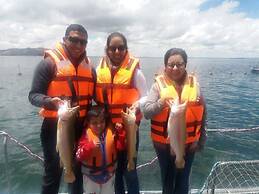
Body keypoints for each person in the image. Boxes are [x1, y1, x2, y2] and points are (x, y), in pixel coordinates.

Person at [28, 24, 95, 194]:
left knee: (77, 173)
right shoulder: (48, 64)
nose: (79, 45)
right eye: (74, 40)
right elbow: (34, 95)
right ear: (65, 40)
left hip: (81, 128)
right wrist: (50, 102)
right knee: (53, 174)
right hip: (54, 128)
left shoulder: (90, 68)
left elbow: (97, 96)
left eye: (83, 42)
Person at [143, 48, 207, 194]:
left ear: (185, 65)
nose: (175, 68)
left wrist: (201, 140)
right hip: (163, 146)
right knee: (167, 180)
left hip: (189, 144)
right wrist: (161, 103)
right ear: (165, 66)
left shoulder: (194, 86)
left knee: (183, 181)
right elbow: (146, 112)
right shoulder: (157, 86)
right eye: (171, 64)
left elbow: (204, 114)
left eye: (180, 64)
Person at [95, 32, 148, 194]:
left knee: (130, 170)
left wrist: (137, 104)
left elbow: (146, 96)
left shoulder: (136, 73)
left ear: (126, 49)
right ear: (107, 50)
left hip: (129, 128)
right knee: (115, 171)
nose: (117, 52)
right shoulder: (99, 70)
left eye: (121, 48)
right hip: (109, 129)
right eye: (113, 48)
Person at [76, 105, 126, 194]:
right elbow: (78, 156)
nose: (98, 125)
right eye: (94, 123)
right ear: (88, 123)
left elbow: (120, 147)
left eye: (102, 122)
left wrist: (120, 133)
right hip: (91, 177)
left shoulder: (111, 132)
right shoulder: (85, 136)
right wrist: (89, 146)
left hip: (109, 176)